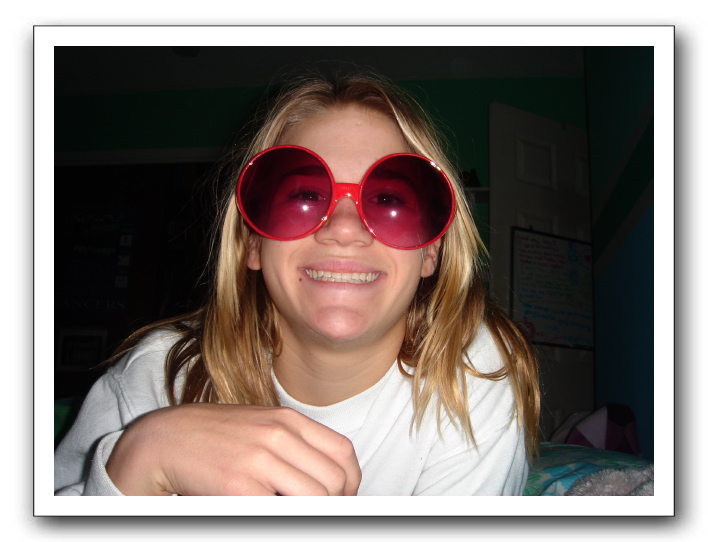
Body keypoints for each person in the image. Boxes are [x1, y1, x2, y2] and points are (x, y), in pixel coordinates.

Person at [54, 71, 540, 496]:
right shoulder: (156, 377)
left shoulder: (473, 375)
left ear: (430, 251)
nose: (344, 228)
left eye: (389, 199)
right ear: (252, 243)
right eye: (305, 195)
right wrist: (140, 458)